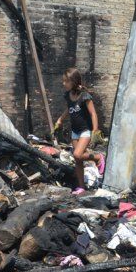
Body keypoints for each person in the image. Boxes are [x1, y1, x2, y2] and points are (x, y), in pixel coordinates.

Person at [54, 67, 105, 195]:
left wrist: (95, 130)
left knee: (77, 154)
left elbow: (93, 114)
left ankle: (98, 157)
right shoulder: (68, 95)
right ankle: (82, 187)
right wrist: (60, 120)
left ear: (73, 81)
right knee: (78, 160)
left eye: (66, 81)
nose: (63, 83)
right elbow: (69, 109)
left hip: (85, 130)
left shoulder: (84, 96)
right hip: (75, 131)